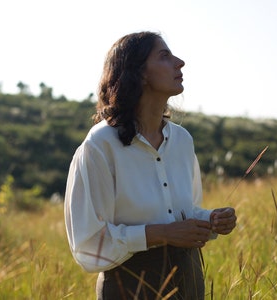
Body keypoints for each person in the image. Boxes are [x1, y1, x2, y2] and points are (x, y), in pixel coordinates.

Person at [64, 31, 237, 300]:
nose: (179, 62)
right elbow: (88, 245)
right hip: (129, 286)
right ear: (139, 73)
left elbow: (183, 211)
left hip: (189, 281)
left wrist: (210, 219)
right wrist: (162, 234)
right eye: (164, 56)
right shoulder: (100, 144)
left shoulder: (182, 140)